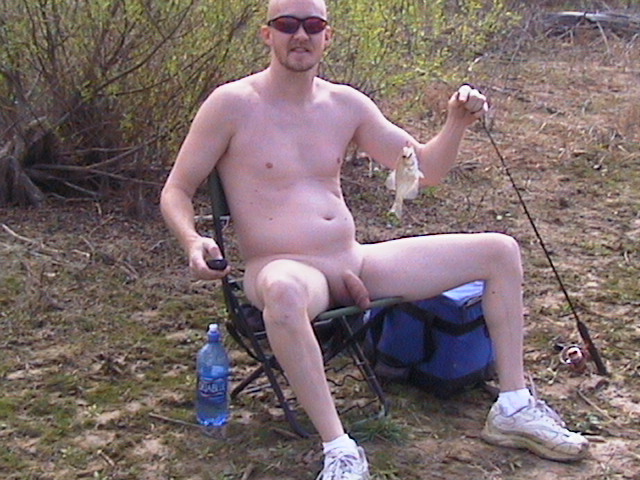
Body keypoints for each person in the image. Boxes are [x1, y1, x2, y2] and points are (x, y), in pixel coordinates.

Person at [160, 0, 589, 478]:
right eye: (286, 24)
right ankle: (339, 448)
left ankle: (513, 407)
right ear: (267, 35)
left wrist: (456, 122)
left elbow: (425, 170)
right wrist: (192, 240)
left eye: (312, 25)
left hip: (353, 261)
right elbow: (176, 190)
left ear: (327, 36)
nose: (300, 35)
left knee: (500, 251)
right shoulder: (232, 104)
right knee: (284, 293)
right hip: (283, 267)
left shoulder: (346, 105)